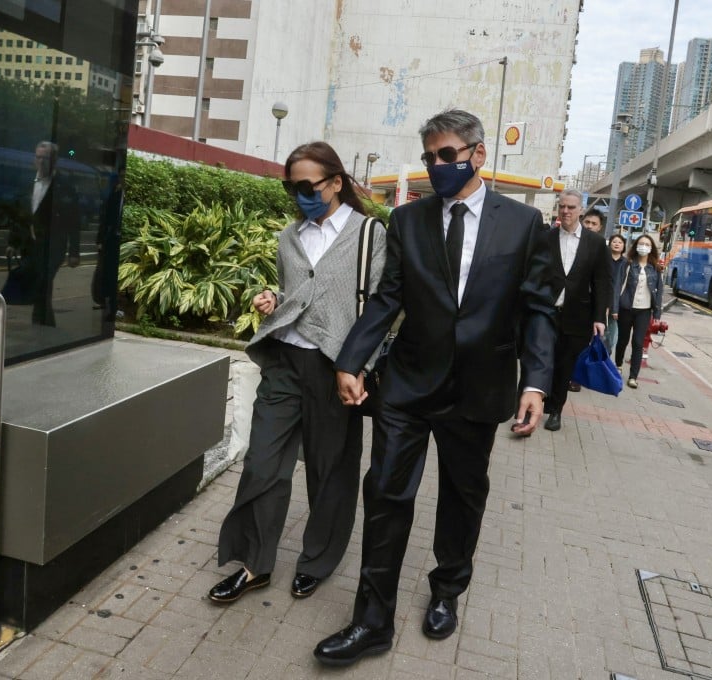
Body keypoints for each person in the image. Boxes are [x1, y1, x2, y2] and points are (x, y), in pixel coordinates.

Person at [314, 109, 556, 666]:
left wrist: (536, 384)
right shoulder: (408, 221)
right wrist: (351, 360)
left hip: (480, 387)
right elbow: (387, 298)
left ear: (478, 154)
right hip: (408, 384)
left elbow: (539, 309)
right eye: (430, 158)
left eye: (448, 155)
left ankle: (447, 589)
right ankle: (371, 622)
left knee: (462, 498)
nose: (438, 166)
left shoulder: (522, 226)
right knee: (386, 494)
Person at [209, 142, 386, 605]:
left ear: (335, 182)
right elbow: (295, 292)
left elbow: (382, 310)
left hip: (337, 368)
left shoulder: (370, 233)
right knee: (262, 463)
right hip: (286, 362)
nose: (300, 195)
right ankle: (254, 564)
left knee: (331, 472)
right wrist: (271, 296)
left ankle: (317, 561)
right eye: (292, 187)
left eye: (308, 186)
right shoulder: (290, 236)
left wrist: (358, 366)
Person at [542, 189, 611, 432]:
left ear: (580, 210)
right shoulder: (547, 238)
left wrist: (599, 317)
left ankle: (555, 410)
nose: (566, 211)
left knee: (564, 364)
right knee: (541, 360)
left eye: (571, 207)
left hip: (577, 316)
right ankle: (530, 405)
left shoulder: (595, 243)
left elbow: (602, 281)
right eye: (562, 206)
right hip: (546, 314)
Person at [6, 141, 81, 326]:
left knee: (42, 285)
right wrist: (13, 243)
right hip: (30, 246)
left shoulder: (64, 186)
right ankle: (45, 327)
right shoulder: (28, 182)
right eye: (38, 157)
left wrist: (74, 253)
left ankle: (41, 328)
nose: (40, 161)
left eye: (45, 158)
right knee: (39, 288)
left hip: (53, 247)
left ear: (54, 160)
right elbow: (20, 216)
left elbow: (73, 222)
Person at [613, 234, 663, 389]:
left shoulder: (655, 267)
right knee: (622, 340)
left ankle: (633, 376)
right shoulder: (627, 264)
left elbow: (659, 291)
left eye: (647, 244)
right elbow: (617, 287)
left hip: (644, 310)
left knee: (638, 342)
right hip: (627, 308)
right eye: (641, 244)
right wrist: (615, 308)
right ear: (636, 246)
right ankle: (618, 365)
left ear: (651, 248)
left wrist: (657, 314)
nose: (644, 247)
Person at [603, 233, 627, 353]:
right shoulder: (603, 260)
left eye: (620, 242)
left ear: (624, 246)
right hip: (602, 302)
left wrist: (615, 308)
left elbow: (621, 287)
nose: (617, 244)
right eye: (614, 241)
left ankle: (606, 359)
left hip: (617, 306)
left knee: (612, 338)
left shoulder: (627, 263)